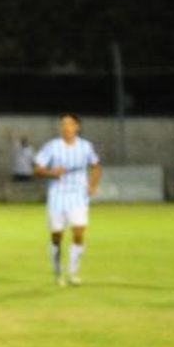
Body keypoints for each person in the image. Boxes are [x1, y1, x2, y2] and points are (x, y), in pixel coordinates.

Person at [32, 113, 101, 286]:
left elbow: (95, 166)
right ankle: (57, 269)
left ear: (77, 126)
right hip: (57, 195)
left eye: (70, 124)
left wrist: (92, 185)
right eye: (63, 124)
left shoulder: (86, 147)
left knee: (78, 232)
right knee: (57, 236)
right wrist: (51, 173)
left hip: (79, 195)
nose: (66, 127)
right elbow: (37, 169)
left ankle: (72, 271)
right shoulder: (52, 147)